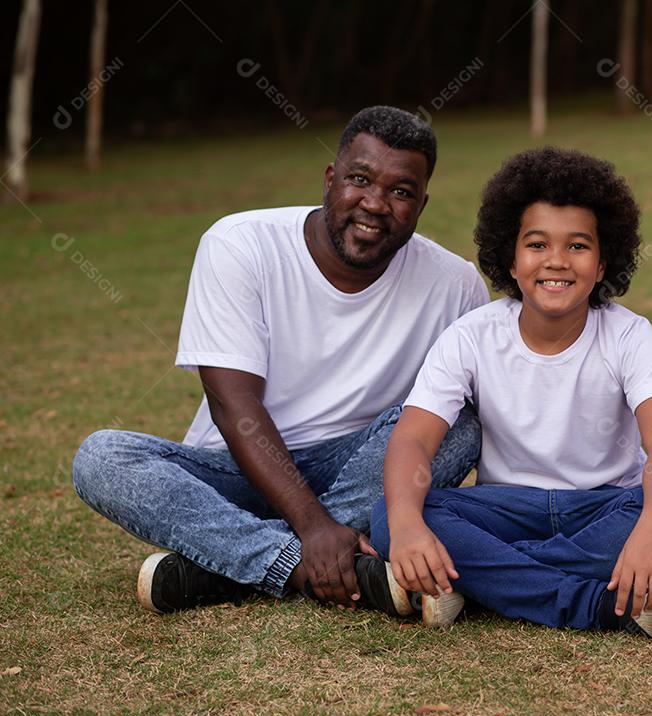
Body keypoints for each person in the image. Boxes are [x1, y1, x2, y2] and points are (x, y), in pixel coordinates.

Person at [71, 106, 489, 614]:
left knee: (459, 424)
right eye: (359, 179)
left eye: (400, 191)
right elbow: (233, 406)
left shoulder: (455, 284)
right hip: (240, 471)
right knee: (102, 457)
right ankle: (307, 562)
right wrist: (312, 528)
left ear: (421, 203)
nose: (375, 203)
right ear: (331, 179)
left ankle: (226, 571)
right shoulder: (240, 244)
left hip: (362, 469)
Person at [361, 147, 652, 640]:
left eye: (578, 246)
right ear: (511, 257)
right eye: (537, 244)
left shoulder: (629, 335)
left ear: (603, 263)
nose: (556, 261)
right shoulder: (471, 336)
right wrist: (406, 524)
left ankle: (475, 581)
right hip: (505, 508)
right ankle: (596, 606)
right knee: (391, 516)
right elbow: (413, 438)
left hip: (605, 506)